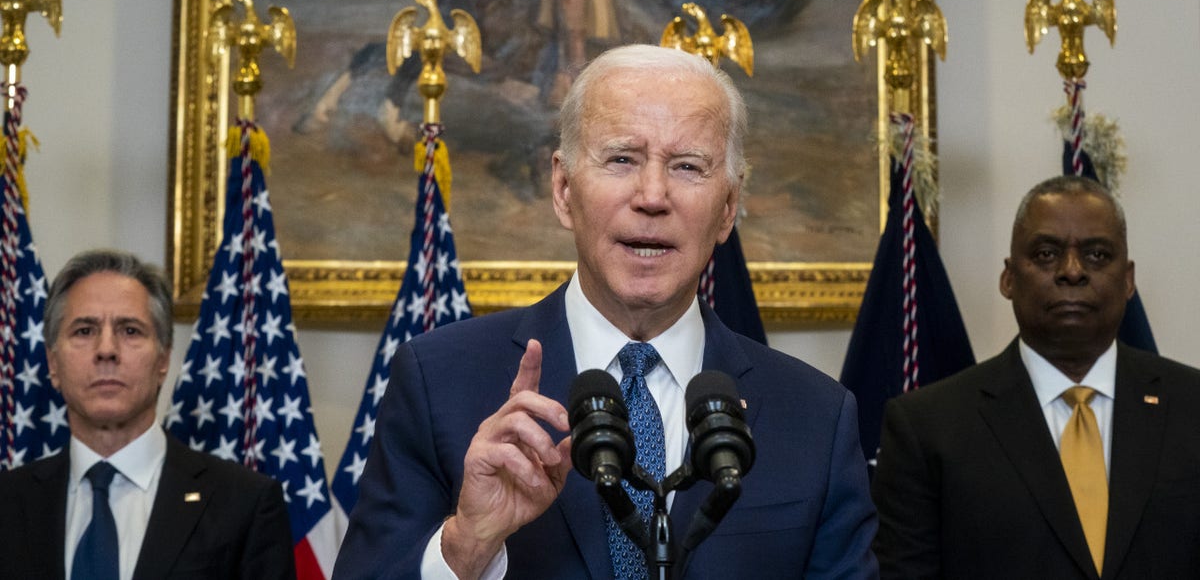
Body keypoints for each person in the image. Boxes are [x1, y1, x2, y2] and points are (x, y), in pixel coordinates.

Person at [333, 44, 878, 579]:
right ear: (564, 189)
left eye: (688, 166)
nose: (652, 195)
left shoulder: (817, 417)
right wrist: (467, 546)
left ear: (728, 208)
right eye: (622, 159)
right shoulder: (438, 382)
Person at [871, 175, 1200, 579]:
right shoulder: (927, 427)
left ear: (1128, 279)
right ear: (1009, 278)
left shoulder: (1192, 406)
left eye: (1097, 255)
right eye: (1046, 254)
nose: (1073, 272)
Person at [0, 249, 295, 580]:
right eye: (84, 330)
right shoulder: (7, 504)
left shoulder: (245, 504)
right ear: (53, 364)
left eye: (130, 331)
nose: (106, 350)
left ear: (164, 359)